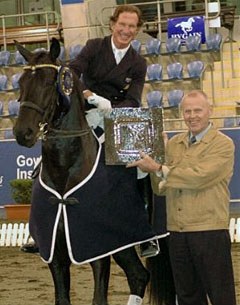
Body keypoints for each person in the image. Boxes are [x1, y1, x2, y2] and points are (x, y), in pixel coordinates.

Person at [127, 89, 236, 305]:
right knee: (187, 296)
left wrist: (159, 167)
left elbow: (198, 177)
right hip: (176, 233)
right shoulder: (174, 144)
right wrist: (152, 165)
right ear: (181, 113)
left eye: (198, 110)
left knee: (221, 296)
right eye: (187, 111)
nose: (192, 116)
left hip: (209, 231)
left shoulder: (223, 144)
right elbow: (160, 189)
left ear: (209, 111)